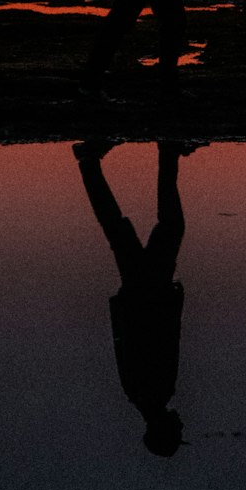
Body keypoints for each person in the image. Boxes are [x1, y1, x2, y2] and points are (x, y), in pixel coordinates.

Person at [73, 138, 188, 455]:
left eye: (176, 432)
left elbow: (160, 337)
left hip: (148, 295)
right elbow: (126, 343)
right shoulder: (141, 395)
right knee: (122, 230)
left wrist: (167, 300)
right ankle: (92, 163)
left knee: (166, 227)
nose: (182, 425)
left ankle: (165, 151)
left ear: (162, 430)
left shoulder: (155, 392)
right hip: (141, 296)